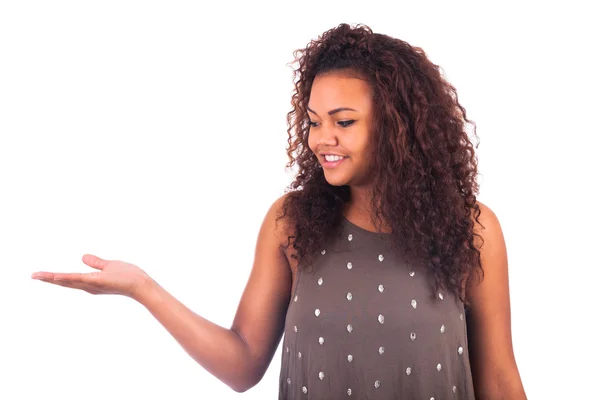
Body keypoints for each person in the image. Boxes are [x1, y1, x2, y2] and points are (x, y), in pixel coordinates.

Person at [31, 23, 527, 399]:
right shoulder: (291, 224)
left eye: (344, 121)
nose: (321, 139)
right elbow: (243, 364)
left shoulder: (472, 229)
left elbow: (500, 380)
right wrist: (144, 289)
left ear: (399, 128)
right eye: (313, 121)